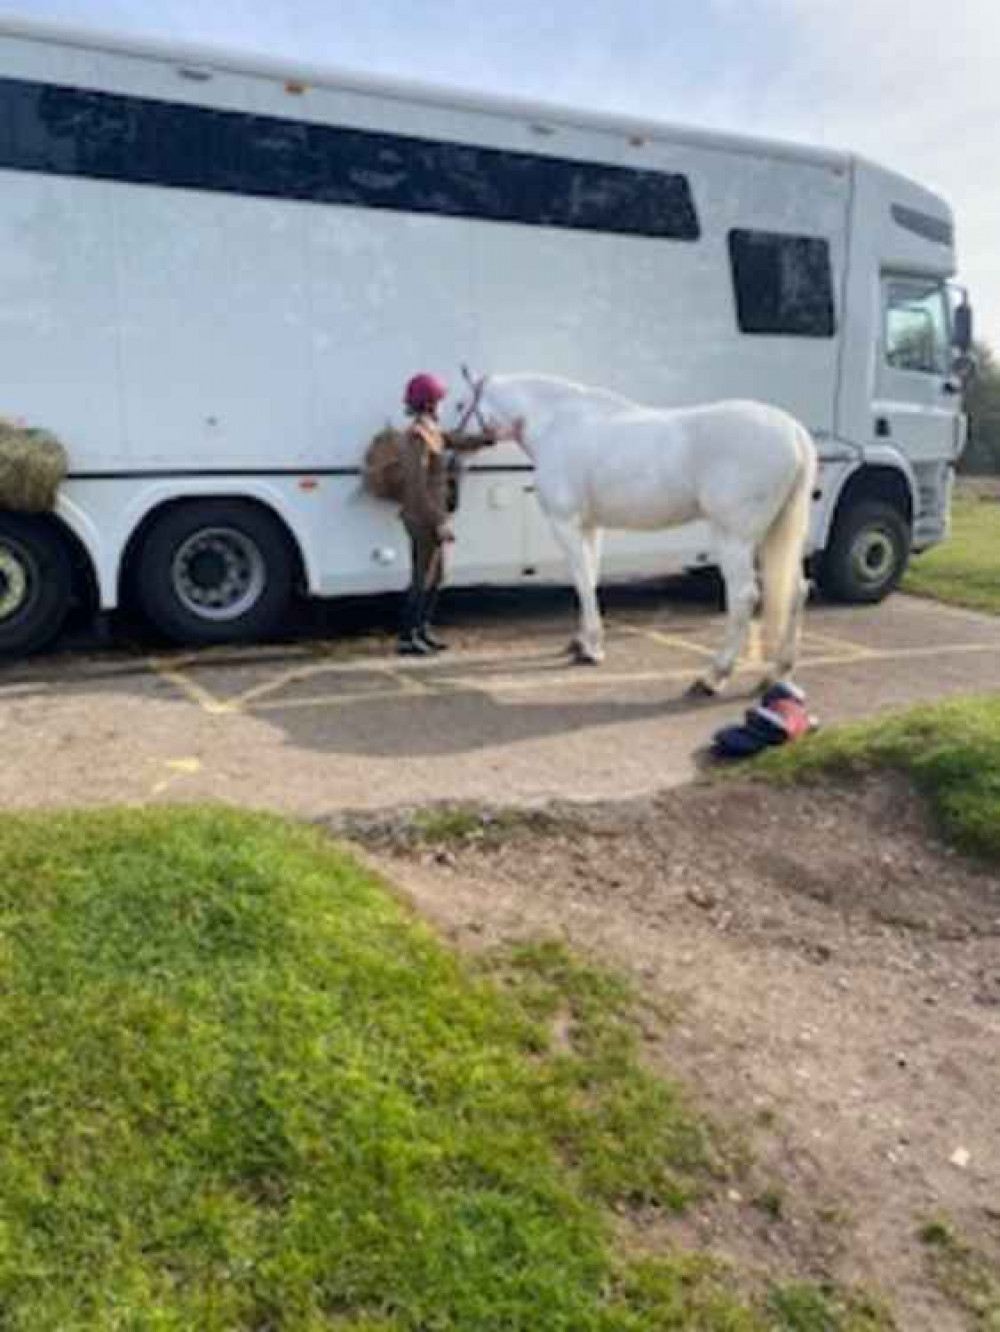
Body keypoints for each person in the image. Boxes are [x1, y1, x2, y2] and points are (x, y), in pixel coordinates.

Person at [397, 372, 497, 656]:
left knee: (437, 576)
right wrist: (438, 522)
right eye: (439, 400)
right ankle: (408, 637)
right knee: (422, 578)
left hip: (431, 515)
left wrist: (489, 439)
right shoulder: (417, 436)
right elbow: (416, 487)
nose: (442, 405)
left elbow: (454, 441)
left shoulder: (431, 431)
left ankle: (423, 629)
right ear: (429, 403)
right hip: (421, 517)